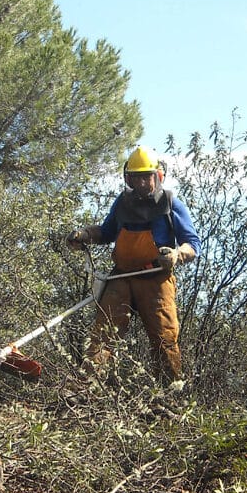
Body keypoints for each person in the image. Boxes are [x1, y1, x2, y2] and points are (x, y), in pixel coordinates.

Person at [66, 146, 201, 384]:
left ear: (158, 176)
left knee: (165, 339)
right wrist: (85, 234)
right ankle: (86, 390)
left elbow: (192, 243)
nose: (140, 183)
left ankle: (170, 396)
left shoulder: (171, 204)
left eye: (145, 176)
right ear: (127, 178)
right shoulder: (122, 203)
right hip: (121, 278)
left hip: (156, 280)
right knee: (103, 334)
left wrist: (176, 255)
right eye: (135, 177)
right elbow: (107, 232)